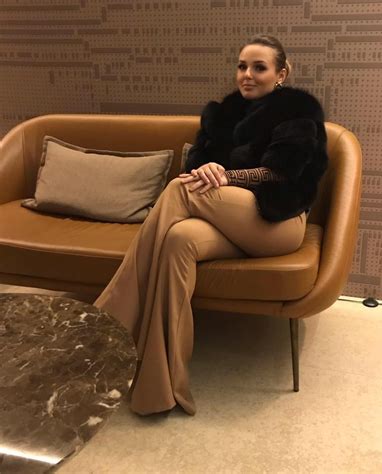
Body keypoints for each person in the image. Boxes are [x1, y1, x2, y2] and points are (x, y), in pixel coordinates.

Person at [94, 35, 328, 416]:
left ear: (281, 74)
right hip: (229, 222)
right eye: (242, 66)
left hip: (278, 220)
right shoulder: (222, 114)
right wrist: (206, 168)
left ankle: (107, 321)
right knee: (177, 239)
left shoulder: (298, 111)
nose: (247, 74)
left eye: (259, 67)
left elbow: (284, 172)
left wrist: (226, 175)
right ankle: (161, 387)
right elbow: (196, 169)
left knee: (180, 189)